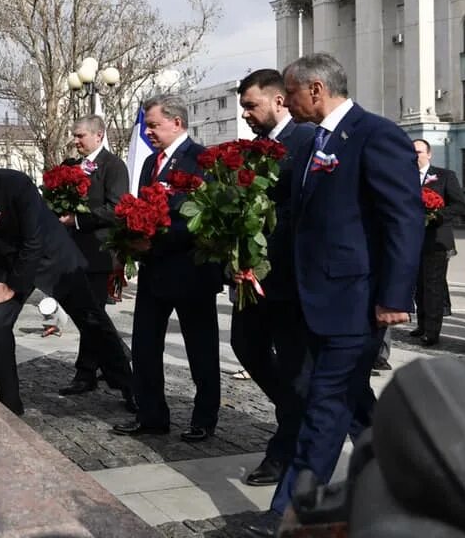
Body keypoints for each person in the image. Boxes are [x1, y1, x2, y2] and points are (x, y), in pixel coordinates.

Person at [252, 54, 424, 536]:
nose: (285, 101)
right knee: (346, 401)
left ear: (315, 90)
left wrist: (394, 296)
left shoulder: (375, 134)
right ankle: (409, 477)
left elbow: (403, 219)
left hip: (356, 300)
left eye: (290, 92)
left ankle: (286, 514)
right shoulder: (311, 143)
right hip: (314, 299)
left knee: (324, 407)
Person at [0, 143, 134, 415]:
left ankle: (132, 390)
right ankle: (10, 405)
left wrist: (13, 287)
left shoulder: (15, 184)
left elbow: (33, 241)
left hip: (53, 261)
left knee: (94, 324)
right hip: (4, 269)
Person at [110, 95, 222, 443]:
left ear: (177, 123)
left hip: (191, 271)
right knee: (145, 347)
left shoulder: (200, 160)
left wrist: (155, 241)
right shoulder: (149, 164)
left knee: (200, 350)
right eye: (146, 126)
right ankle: (152, 415)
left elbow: (201, 219)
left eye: (154, 125)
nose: (149, 132)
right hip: (155, 271)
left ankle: (204, 418)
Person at [232, 69, 315, 486]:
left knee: (299, 368)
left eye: (251, 105)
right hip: (252, 276)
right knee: (244, 344)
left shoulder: (306, 141)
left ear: (278, 100)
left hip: (290, 278)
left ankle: (286, 450)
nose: (245, 113)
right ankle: (297, 416)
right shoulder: (256, 148)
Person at [56, 115, 134, 401]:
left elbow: (116, 207)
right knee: (86, 314)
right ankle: (95, 367)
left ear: (99, 135)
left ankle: (101, 372)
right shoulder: (71, 166)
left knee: (94, 315)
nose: (75, 142)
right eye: (74, 136)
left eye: (80, 136)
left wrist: (77, 220)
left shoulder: (113, 166)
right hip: (71, 252)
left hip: (100, 253)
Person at [410, 139, 465, 347]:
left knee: (433, 286)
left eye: (419, 152)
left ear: (429, 154)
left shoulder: (444, 176)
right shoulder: (405, 177)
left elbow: (459, 205)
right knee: (419, 286)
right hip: (411, 241)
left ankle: (432, 332)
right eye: (412, 152)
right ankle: (422, 325)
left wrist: (436, 215)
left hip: (436, 240)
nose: (415, 156)